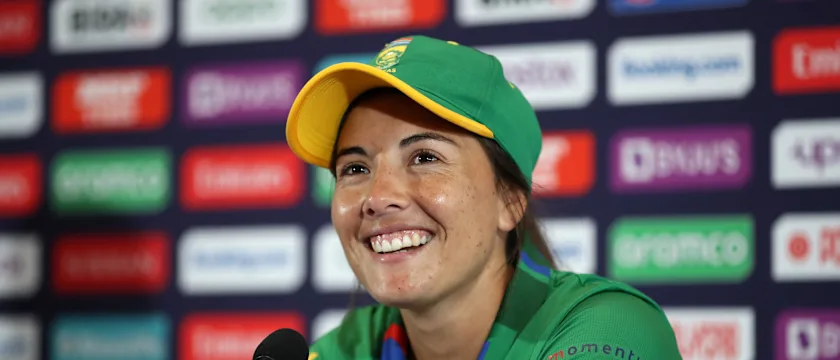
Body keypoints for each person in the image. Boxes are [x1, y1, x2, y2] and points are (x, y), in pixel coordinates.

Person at [285, 35, 682, 360]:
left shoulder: (609, 327)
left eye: (425, 157)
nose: (378, 196)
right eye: (354, 168)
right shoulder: (346, 349)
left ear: (510, 200)